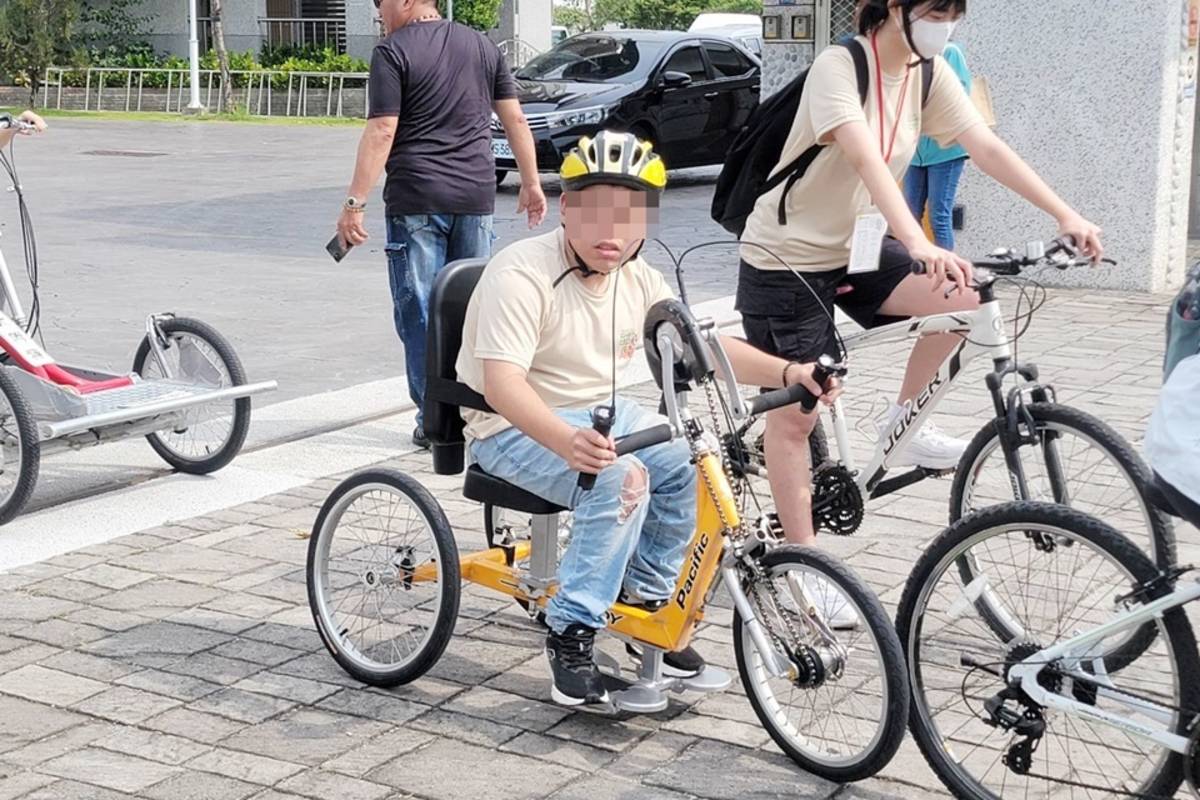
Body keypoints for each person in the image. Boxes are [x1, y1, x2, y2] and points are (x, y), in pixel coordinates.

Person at [456, 131, 838, 708]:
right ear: (568, 208)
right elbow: (502, 385)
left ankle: (642, 607)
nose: (614, 232)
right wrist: (566, 441)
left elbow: (702, 346)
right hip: (509, 425)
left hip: (603, 417)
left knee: (690, 457)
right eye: (598, 213)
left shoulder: (637, 276)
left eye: (631, 215)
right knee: (624, 479)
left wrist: (790, 372)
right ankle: (572, 630)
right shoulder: (521, 272)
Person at [736, 0, 1104, 554]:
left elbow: (984, 146)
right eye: (935, 10)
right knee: (795, 418)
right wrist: (916, 240)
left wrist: (1064, 213)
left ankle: (902, 428)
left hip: (855, 249)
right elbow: (865, 157)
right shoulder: (840, 67)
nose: (945, 23)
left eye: (954, 12)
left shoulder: (926, 73)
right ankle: (803, 566)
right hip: (785, 258)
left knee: (962, 299)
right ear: (892, 9)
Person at [336, 0, 547, 450]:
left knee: (420, 313)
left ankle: (435, 421)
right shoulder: (482, 46)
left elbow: (381, 130)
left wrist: (355, 203)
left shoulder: (392, 52)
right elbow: (514, 118)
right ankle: (471, 415)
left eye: (382, 2)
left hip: (417, 199)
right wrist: (531, 182)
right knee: (474, 311)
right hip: (475, 196)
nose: (379, 11)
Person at [904, 40, 971, 250]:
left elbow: (960, 94)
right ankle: (912, 271)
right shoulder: (907, 54)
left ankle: (947, 275)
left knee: (938, 216)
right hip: (915, 152)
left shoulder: (948, 52)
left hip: (945, 151)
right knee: (909, 215)